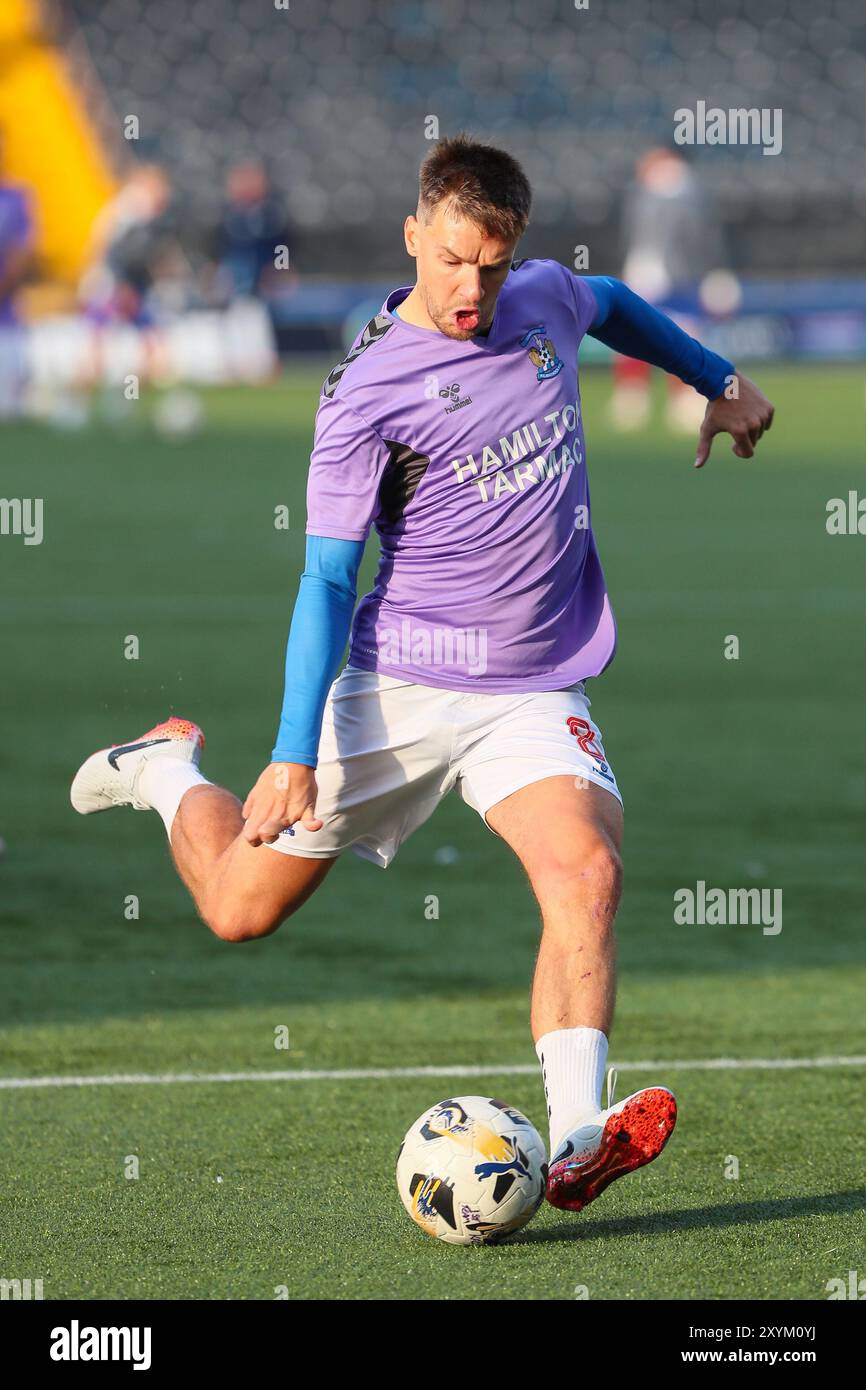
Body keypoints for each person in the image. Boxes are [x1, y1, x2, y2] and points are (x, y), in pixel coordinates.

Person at [71, 134, 773, 1216]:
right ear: (414, 236)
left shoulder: (541, 301)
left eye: (490, 266)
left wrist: (716, 380)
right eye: (451, 261)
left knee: (584, 874)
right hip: (400, 682)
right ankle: (168, 769)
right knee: (237, 911)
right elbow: (322, 580)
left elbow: (614, 301)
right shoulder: (366, 395)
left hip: (533, 685)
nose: (471, 289)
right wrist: (292, 750)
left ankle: (579, 1137)